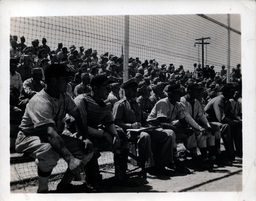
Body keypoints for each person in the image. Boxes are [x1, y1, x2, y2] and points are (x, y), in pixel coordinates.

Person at [15, 63, 93, 193]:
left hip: (51, 135)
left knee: (87, 150)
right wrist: (70, 159)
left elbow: (77, 116)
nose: (68, 82)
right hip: (28, 137)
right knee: (50, 152)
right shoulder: (40, 100)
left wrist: (86, 137)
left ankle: (64, 185)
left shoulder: (64, 96)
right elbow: (50, 133)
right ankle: (43, 189)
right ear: (53, 80)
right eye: (65, 79)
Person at [74, 74, 137, 188]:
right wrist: (103, 134)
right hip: (77, 133)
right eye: (105, 86)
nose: (109, 89)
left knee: (121, 136)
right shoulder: (81, 100)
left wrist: (114, 135)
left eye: (109, 86)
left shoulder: (106, 103)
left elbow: (109, 123)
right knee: (89, 143)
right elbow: (80, 126)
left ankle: (121, 175)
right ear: (95, 88)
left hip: (95, 132)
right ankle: (92, 180)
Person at [113, 78, 174, 176]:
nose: (135, 91)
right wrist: (131, 125)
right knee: (145, 136)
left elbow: (142, 119)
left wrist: (150, 126)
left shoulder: (136, 104)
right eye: (133, 89)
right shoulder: (120, 104)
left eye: (135, 88)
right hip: (128, 133)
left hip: (141, 130)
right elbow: (116, 122)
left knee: (164, 135)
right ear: (127, 90)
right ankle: (148, 166)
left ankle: (162, 164)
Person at [147, 83, 209, 170]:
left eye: (180, 92)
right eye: (177, 93)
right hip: (153, 126)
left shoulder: (178, 104)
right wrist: (180, 130)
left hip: (168, 125)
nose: (180, 94)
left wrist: (186, 129)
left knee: (190, 130)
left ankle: (195, 158)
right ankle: (176, 161)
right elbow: (162, 123)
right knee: (171, 133)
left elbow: (183, 121)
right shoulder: (163, 103)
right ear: (170, 94)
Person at [205, 83, 242, 159]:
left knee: (238, 126)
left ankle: (239, 151)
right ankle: (230, 153)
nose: (233, 93)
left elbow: (229, 113)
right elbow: (221, 118)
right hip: (208, 123)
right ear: (226, 92)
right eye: (232, 92)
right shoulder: (219, 100)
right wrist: (235, 122)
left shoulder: (226, 101)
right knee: (226, 126)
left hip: (216, 122)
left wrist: (238, 121)